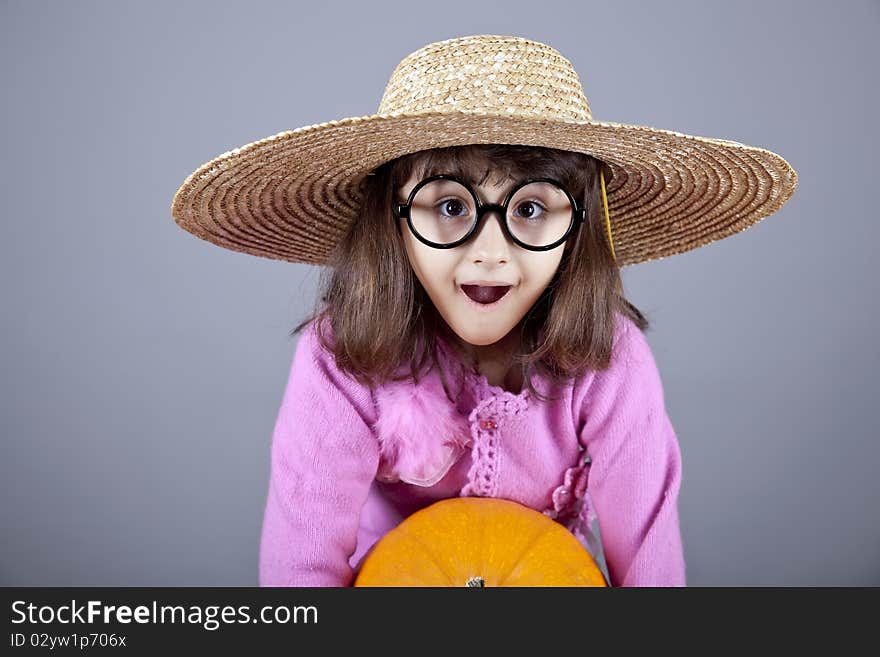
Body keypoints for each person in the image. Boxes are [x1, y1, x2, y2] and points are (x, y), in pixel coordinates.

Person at [171, 34, 798, 587]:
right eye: (449, 207)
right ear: (394, 220)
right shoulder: (341, 358)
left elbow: (650, 559)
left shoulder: (610, 360)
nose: (490, 253)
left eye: (529, 209)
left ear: (578, 224)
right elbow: (300, 567)